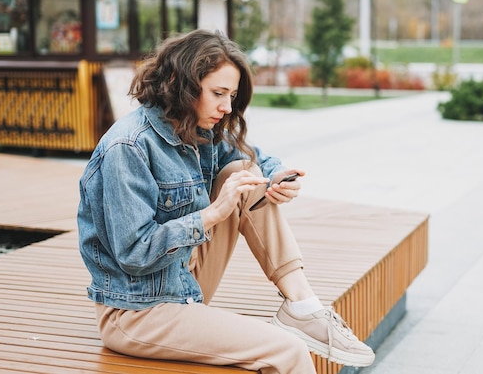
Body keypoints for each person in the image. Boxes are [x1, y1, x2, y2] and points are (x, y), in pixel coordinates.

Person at [77, 29, 375, 373]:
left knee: (245, 170)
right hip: (137, 310)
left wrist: (276, 177)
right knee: (289, 351)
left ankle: (303, 306)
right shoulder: (128, 147)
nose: (227, 107)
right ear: (179, 82)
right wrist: (212, 214)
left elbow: (253, 157)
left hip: (183, 282)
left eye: (232, 95)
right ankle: (302, 319)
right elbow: (133, 254)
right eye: (218, 93)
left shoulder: (196, 128)